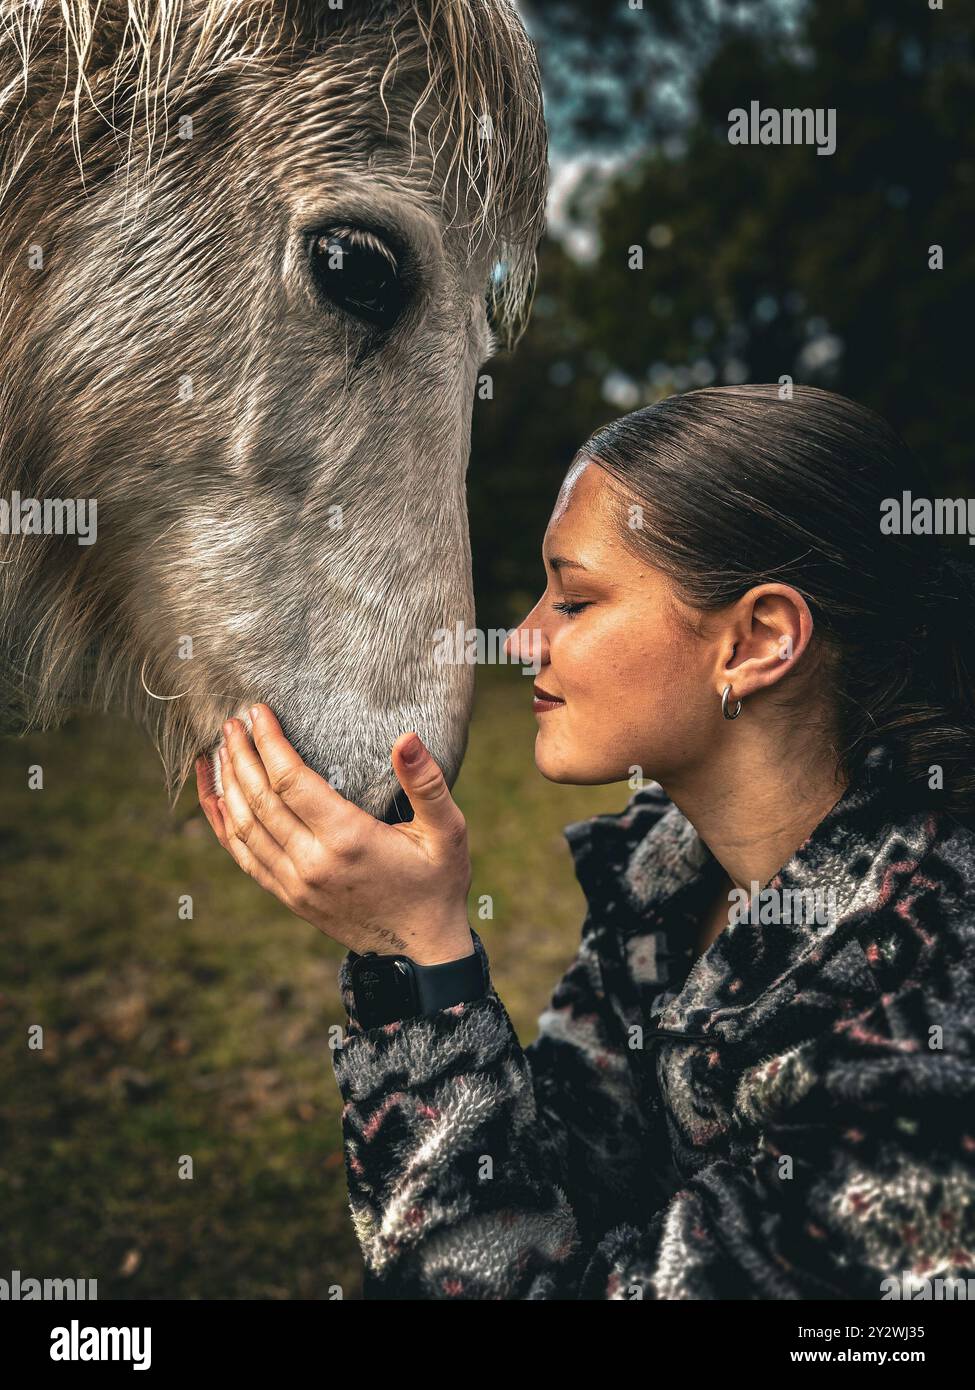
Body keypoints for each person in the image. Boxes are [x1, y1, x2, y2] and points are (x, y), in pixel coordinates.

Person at [197, 383, 975, 1299]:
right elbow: (558, 1186)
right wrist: (416, 960)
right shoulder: (666, 882)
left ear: (758, 639)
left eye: (572, 599)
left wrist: (416, 948)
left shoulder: (923, 1012)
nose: (522, 639)